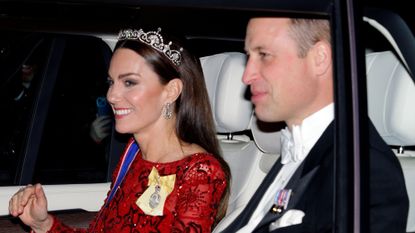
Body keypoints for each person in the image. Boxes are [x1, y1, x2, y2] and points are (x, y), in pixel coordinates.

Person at [9, 27, 230, 233]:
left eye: (129, 83)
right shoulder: (133, 155)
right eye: (111, 82)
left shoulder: (200, 171)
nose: (111, 96)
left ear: (171, 91)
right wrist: (43, 223)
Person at [220, 17, 409, 233]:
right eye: (248, 57)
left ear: (320, 58)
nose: (247, 75)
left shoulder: (366, 173)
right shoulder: (295, 153)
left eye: (264, 55)